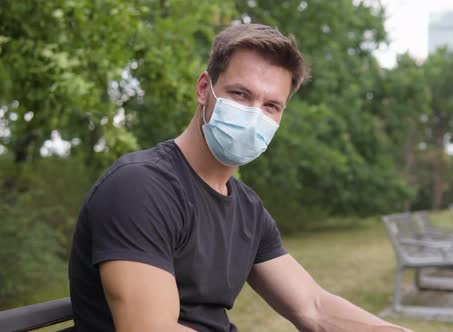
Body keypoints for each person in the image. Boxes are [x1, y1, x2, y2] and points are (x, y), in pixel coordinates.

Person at [68, 23, 412, 332]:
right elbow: (150, 328)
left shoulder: (246, 207)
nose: (253, 115)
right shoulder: (141, 187)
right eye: (240, 94)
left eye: (271, 106)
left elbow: (314, 308)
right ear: (205, 89)